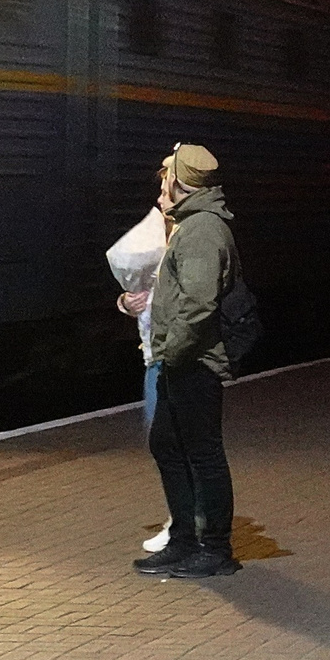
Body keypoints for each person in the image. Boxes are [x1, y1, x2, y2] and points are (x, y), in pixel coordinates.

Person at [136, 142, 241, 579]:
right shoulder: (191, 225)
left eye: (165, 177)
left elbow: (198, 304)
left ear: (178, 182)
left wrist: (172, 352)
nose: (160, 183)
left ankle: (215, 548)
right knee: (168, 445)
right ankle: (182, 539)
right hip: (180, 360)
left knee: (203, 454)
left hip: (193, 363)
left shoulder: (201, 230)